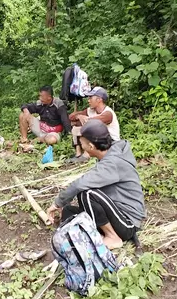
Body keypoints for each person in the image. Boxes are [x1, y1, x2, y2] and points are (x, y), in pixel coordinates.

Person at [46, 120, 144, 249]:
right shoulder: (112, 151)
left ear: (91, 146)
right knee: (68, 211)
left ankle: (112, 237)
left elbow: (80, 184)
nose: (81, 146)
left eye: (82, 143)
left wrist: (57, 203)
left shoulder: (112, 163)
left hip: (127, 222)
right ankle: (92, 233)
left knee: (86, 193)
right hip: (114, 211)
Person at [68, 87, 120, 163]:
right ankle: (78, 153)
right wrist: (78, 116)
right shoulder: (90, 110)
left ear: (99, 99)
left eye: (91, 98)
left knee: (89, 129)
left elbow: (93, 123)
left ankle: (86, 155)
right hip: (99, 141)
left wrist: (84, 120)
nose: (88, 100)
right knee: (76, 127)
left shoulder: (108, 113)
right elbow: (71, 117)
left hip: (111, 142)